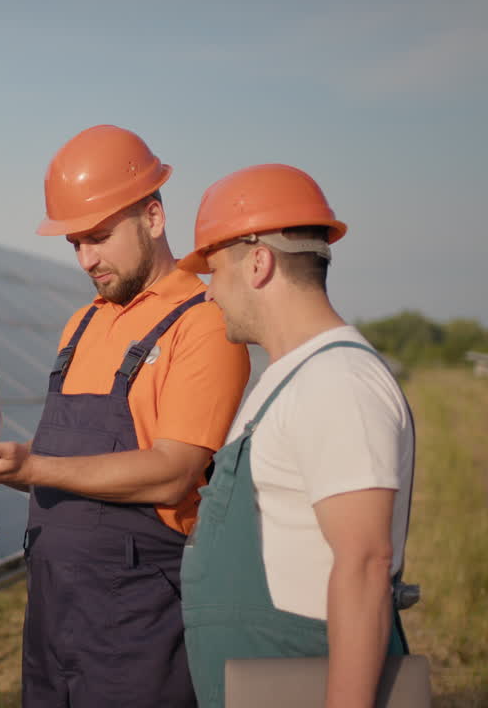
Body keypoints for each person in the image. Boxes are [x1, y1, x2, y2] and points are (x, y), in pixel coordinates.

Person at [0, 125, 250, 707]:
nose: (87, 259)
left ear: (153, 217)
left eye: (100, 237)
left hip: (140, 622)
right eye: (75, 244)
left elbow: (173, 472)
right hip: (53, 614)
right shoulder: (81, 324)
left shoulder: (204, 322)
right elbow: (69, 465)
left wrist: (31, 468)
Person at [175, 164, 416, 707]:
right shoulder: (291, 377)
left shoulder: (337, 383)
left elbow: (364, 565)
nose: (209, 295)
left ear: (258, 263)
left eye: (215, 272)